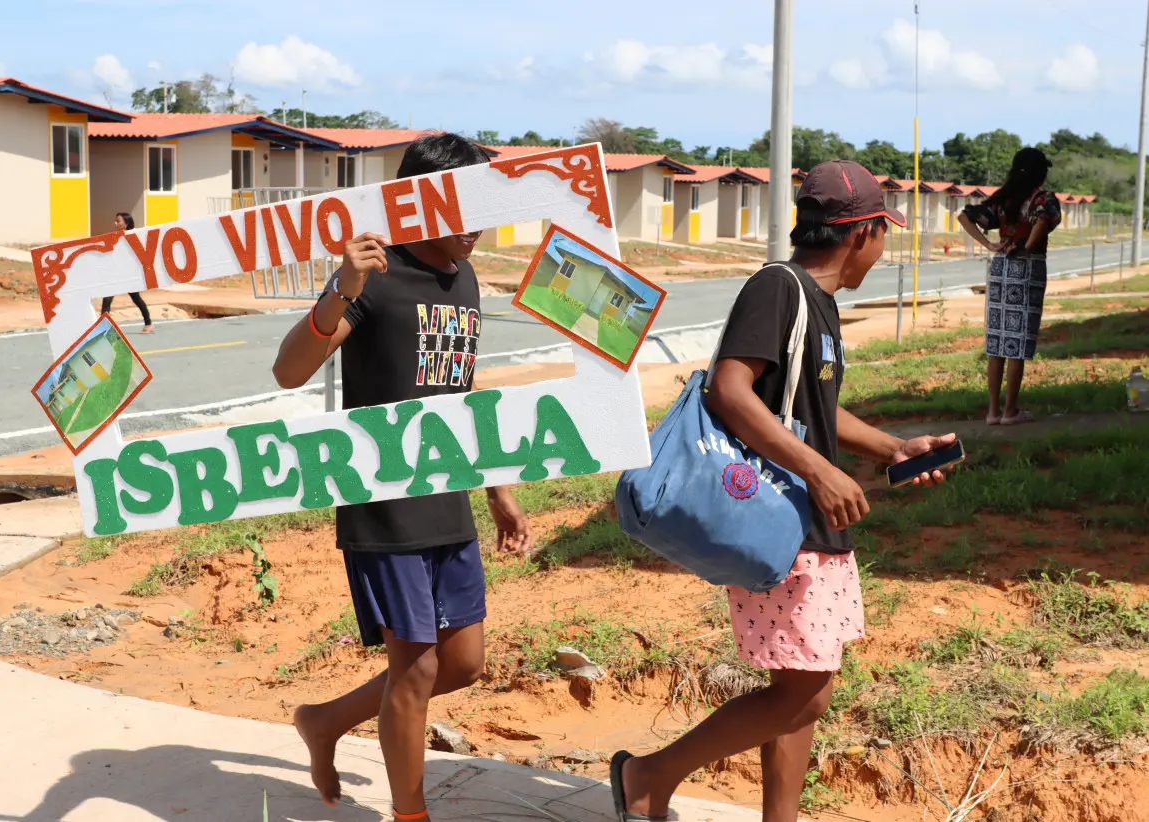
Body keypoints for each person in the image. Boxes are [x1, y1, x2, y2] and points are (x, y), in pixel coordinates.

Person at [610, 160, 956, 822]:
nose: (883, 252)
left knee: (802, 685)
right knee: (806, 693)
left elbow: (812, 409)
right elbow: (730, 390)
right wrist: (823, 471)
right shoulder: (778, 287)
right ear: (861, 233)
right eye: (884, 233)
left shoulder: (815, 303)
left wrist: (891, 448)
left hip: (812, 516)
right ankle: (648, 777)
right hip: (785, 514)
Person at [271, 133, 530, 821]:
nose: (476, 226)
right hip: (383, 501)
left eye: (484, 207)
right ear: (419, 203)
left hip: (448, 495)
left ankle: (325, 721)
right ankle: (409, 813)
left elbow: (463, 394)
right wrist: (339, 291)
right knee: (414, 670)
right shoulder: (374, 274)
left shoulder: (465, 277)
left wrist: (498, 486)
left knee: (462, 663)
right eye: (463, 208)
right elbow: (289, 369)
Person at [958, 147, 1061, 426]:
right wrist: (1027, 247)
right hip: (1027, 268)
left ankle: (993, 411)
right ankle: (1011, 411)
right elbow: (1044, 219)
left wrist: (989, 245)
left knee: (998, 341)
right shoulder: (1043, 198)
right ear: (1041, 172)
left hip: (1001, 268)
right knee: (1018, 341)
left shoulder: (1003, 199)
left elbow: (965, 216)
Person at [101, 213, 154, 334]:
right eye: (115, 221)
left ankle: (148, 323)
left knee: (136, 299)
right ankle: (103, 328)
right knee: (107, 300)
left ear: (126, 224)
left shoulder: (132, 237)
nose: (115, 223)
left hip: (128, 275)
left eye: (118, 221)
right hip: (115, 274)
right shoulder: (113, 236)